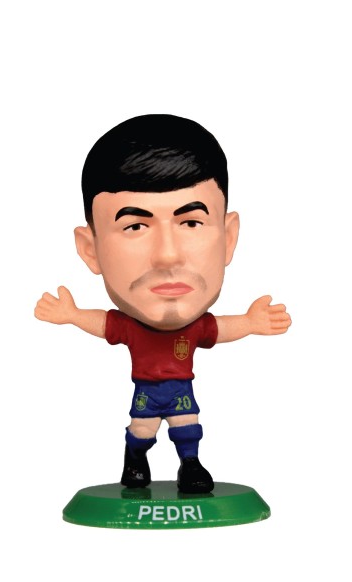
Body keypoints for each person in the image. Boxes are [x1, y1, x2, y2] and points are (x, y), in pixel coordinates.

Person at [35, 114, 291, 493]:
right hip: (147, 391)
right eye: (135, 227)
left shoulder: (197, 328)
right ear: (91, 250)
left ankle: (191, 464)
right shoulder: (130, 327)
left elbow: (221, 329)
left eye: (191, 223)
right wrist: (71, 315)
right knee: (143, 429)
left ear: (228, 238)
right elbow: (105, 323)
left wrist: (251, 323)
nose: (168, 255)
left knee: (188, 425)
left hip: (180, 388)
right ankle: (135, 458)